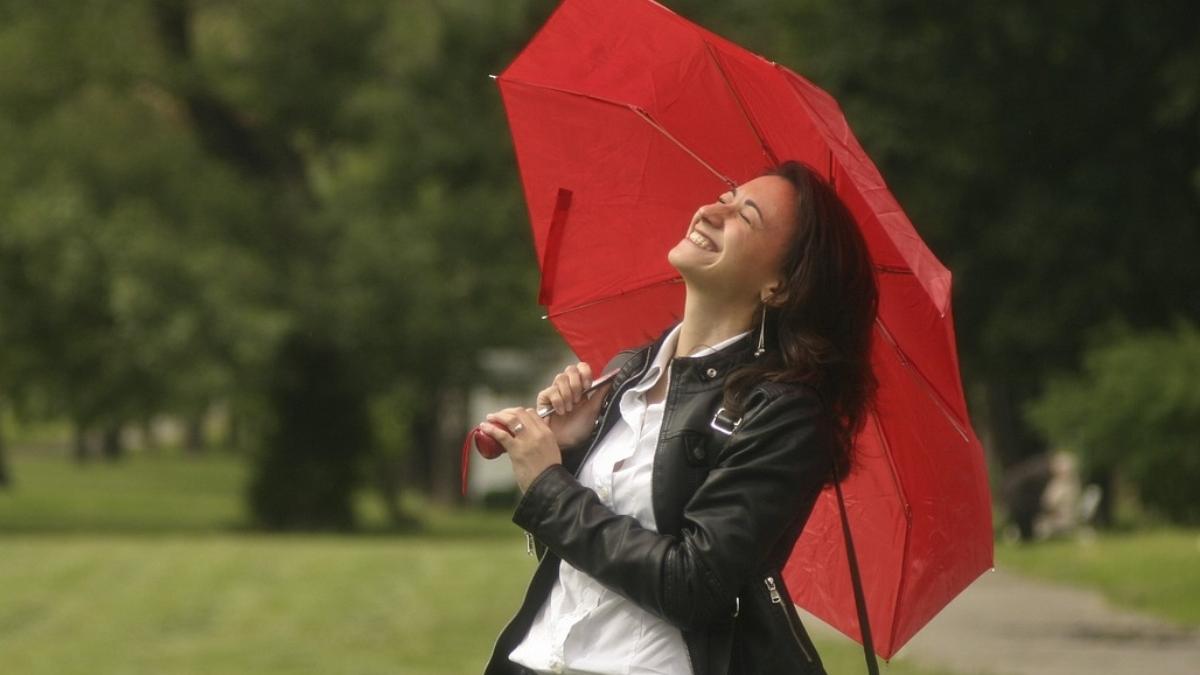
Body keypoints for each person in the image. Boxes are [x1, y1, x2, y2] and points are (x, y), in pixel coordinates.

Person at [478, 160, 879, 675]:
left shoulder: (782, 414)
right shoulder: (627, 374)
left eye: (745, 216)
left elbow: (694, 585)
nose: (713, 210)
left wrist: (549, 485)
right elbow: (583, 560)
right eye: (726, 195)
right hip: (538, 658)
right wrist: (568, 450)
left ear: (778, 286)